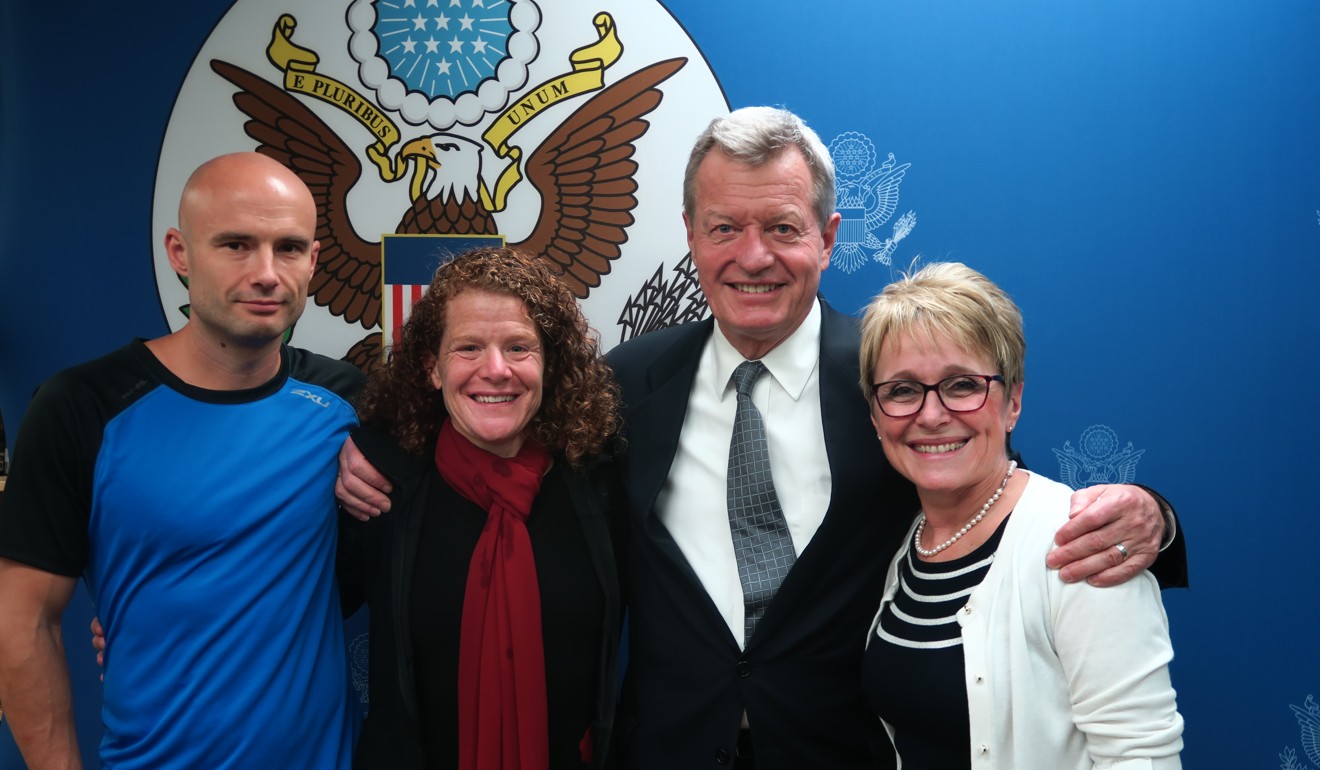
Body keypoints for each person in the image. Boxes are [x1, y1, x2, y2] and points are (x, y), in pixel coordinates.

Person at [338, 107, 1187, 769]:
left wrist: (1153, 518)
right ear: (691, 236)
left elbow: (992, 495)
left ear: (828, 237)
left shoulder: (891, 376)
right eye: (724, 228)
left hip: (843, 754)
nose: (754, 256)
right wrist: (366, 444)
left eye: (782, 227)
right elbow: (491, 427)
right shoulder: (626, 382)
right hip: (667, 752)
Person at [0, 153, 358, 769]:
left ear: (315, 261)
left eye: (289, 248)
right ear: (179, 252)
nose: (267, 273)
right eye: (236, 245)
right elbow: (22, 619)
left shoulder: (350, 405)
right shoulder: (82, 406)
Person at [859, 262, 1183, 767]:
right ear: (875, 415)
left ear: (1012, 402)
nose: (930, 414)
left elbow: (1139, 756)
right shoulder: (907, 545)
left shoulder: (1081, 546)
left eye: (962, 384)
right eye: (902, 390)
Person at [337, 247, 624, 769]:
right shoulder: (381, 490)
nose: (495, 370)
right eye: (468, 347)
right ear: (432, 368)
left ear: (549, 364)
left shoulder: (602, 486)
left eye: (518, 347)